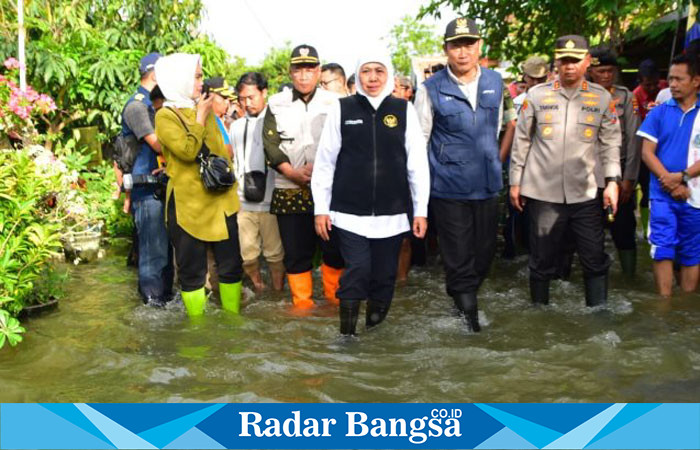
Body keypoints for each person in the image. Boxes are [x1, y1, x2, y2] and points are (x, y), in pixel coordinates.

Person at [312, 50, 430, 336]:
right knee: (358, 270)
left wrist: (421, 209)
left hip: (393, 215)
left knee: (384, 278)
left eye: (379, 70)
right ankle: (347, 338)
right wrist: (321, 208)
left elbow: (417, 163)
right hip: (347, 212)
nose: (373, 77)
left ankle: (374, 336)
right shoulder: (343, 109)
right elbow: (325, 162)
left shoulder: (404, 110)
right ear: (358, 74)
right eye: (366, 71)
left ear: (388, 73)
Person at [414, 17, 517, 332]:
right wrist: (420, 197)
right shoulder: (430, 89)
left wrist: (497, 163)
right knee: (458, 259)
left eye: (469, 44)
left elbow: (501, 127)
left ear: (479, 46)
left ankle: (463, 298)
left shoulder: (496, 82)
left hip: (487, 187)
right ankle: (471, 325)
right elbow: (420, 141)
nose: (463, 52)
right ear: (446, 49)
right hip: (448, 189)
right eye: (456, 45)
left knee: (484, 257)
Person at [510, 35, 621, 307]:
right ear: (556, 62)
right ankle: (540, 315)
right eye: (564, 60)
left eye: (575, 60)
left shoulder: (601, 98)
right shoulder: (536, 95)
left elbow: (610, 142)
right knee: (541, 259)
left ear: (587, 62)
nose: (569, 66)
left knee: (594, 257)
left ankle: (598, 315)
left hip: (585, 192)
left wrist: (612, 182)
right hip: (543, 191)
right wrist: (515, 182)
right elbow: (521, 139)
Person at [154, 53, 243, 317]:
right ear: (178, 79)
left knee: (231, 266)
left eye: (201, 76)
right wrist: (201, 117)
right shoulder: (165, 116)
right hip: (187, 204)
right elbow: (187, 151)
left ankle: (233, 319)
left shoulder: (205, 109)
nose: (200, 82)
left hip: (220, 200)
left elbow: (222, 153)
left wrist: (204, 114)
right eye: (196, 76)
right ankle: (197, 331)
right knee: (192, 272)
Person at [263, 44, 344, 309]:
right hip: (290, 188)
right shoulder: (276, 103)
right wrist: (292, 172)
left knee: (334, 250)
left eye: (310, 69)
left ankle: (334, 303)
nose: (304, 75)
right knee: (296, 254)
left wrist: (321, 172)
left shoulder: (335, 103)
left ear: (319, 71)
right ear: (290, 72)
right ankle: (302, 307)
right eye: (299, 69)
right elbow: (270, 145)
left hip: (330, 190)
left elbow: (345, 143)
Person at [637, 53, 700, 297]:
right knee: (662, 246)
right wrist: (671, 181)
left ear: (696, 81)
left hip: (696, 194)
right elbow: (647, 153)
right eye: (670, 78)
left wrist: (682, 176)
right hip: (662, 193)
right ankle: (665, 303)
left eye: (678, 79)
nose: (672, 84)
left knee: (692, 251)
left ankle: (684, 302)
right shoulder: (659, 112)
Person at [121, 52, 174, 308]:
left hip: (162, 189)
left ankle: (164, 300)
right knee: (153, 256)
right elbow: (159, 146)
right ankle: (153, 307)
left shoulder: (156, 103)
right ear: (155, 73)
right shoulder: (137, 106)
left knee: (164, 255)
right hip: (147, 192)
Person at [587, 47, 641, 277]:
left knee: (624, 229)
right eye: (601, 71)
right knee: (589, 231)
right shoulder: (582, 95)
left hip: (617, 174)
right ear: (591, 71)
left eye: (610, 71)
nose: (606, 76)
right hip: (587, 174)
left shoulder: (626, 97)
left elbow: (634, 140)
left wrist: (629, 178)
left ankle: (630, 278)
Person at [231, 72, 285, 292]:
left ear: (264, 93)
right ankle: (259, 287)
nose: (247, 103)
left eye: (252, 97)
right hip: (243, 201)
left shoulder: (277, 121)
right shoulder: (235, 126)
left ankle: (278, 292)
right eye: (243, 98)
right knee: (247, 256)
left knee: (275, 255)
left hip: (271, 199)